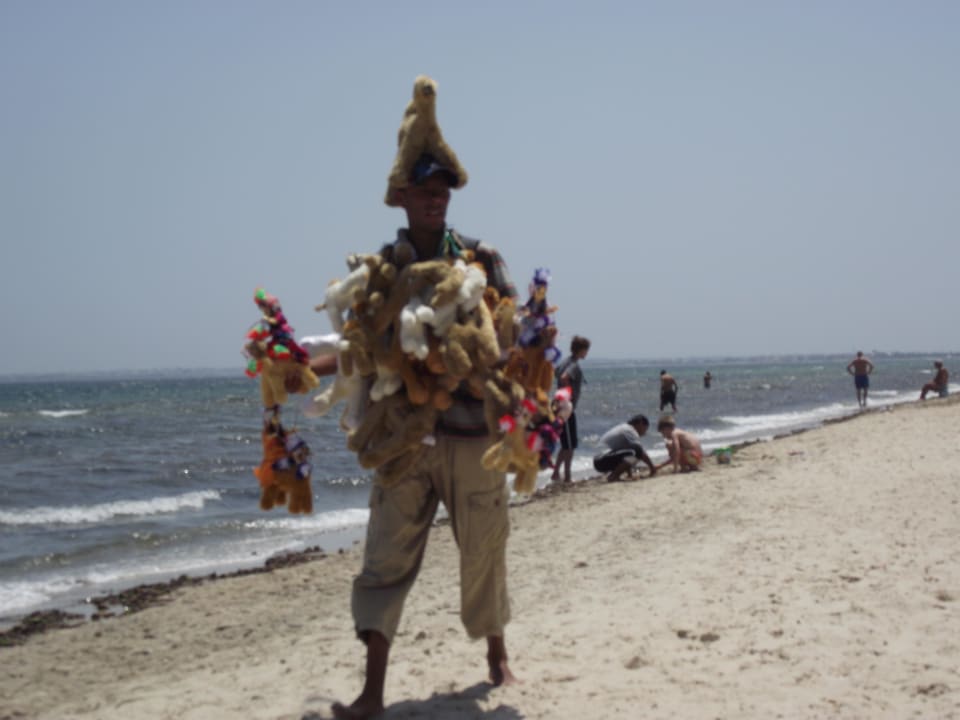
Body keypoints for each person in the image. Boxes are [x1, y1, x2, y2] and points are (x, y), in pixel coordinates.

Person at [324, 151, 519, 716]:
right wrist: (298, 366)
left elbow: (509, 336)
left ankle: (497, 657)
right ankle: (373, 692)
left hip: (470, 437)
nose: (436, 196)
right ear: (401, 197)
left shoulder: (483, 259)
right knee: (384, 559)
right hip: (403, 440)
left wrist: (479, 359)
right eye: (424, 188)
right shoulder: (382, 270)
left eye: (443, 188)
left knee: (484, 550)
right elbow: (356, 348)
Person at [550, 335, 590, 484]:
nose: (587, 353)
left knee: (567, 444)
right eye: (586, 350)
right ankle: (566, 476)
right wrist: (567, 396)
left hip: (560, 408)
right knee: (570, 445)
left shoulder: (564, 362)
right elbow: (565, 377)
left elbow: (555, 373)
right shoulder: (573, 364)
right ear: (581, 350)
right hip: (565, 409)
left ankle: (556, 474)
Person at [592, 414, 657, 482]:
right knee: (638, 451)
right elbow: (640, 452)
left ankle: (617, 475)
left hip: (600, 460)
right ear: (640, 424)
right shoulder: (630, 429)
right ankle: (613, 476)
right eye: (645, 429)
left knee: (632, 452)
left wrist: (630, 474)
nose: (644, 433)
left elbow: (626, 456)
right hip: (602, 459)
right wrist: (652, 468)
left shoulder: (623, 428)